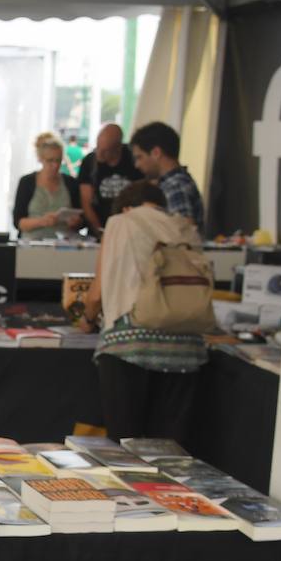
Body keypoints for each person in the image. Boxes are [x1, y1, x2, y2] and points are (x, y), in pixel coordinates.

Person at [75, 180, 205, 444]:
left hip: (130, 344)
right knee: (169, 451)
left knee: (125, 446)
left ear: (124, 207)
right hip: (186, 347)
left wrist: (87, 319)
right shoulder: (186, 228)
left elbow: (97, 293)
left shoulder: (120, 223)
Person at [130, 121, 205, 234]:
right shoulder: (174, 183)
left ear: (156, 153)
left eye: (139, 157)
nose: (137, 165)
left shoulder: (175, 186)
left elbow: (183, 232)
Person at [13, 133, 83, 239]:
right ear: (40, 159)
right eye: (50, 160)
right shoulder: (27, 182)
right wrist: (42, 221)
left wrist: (76, 222)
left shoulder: (70, 183)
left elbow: (80, 219)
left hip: (64, 244)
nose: (55, 165)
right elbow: (18, 222)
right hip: (32, 243)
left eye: (58, 160)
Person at [78, 124, 140, 235]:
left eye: (105, 151)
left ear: (118, 147)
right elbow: (86, 203)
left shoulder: (134, 160)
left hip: (130, 229)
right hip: (99, 227)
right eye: (97, 148)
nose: (99, 154)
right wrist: (100, 231)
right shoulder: (90, 162)